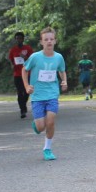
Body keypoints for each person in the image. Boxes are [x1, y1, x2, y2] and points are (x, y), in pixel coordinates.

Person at [22, 26, 67, 161]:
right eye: (46, 39)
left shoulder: (58, 57)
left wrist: (64, 81)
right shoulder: (35, 57)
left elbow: (62, 70)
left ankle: (47, 149)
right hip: (37, 96)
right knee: (41, 127)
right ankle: (37, 125)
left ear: (55, 41)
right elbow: (24, 70)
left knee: (50, 122)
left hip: (52, 94)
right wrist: (26, 86)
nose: (49, 42)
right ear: (41, 42)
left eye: (51, 39)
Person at [8, 32, 34, 118]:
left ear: (23, 39)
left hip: (27, 73)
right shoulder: (13, 50)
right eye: (17, 38)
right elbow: (11, 60)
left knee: (26, 91)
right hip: (17, 74)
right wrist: (12, 65)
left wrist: (24, 57)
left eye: (20, 38)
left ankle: (24, 104)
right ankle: (22, 110)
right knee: (19, 92)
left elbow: (32, 60)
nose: (18, 40)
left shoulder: (28, 48)